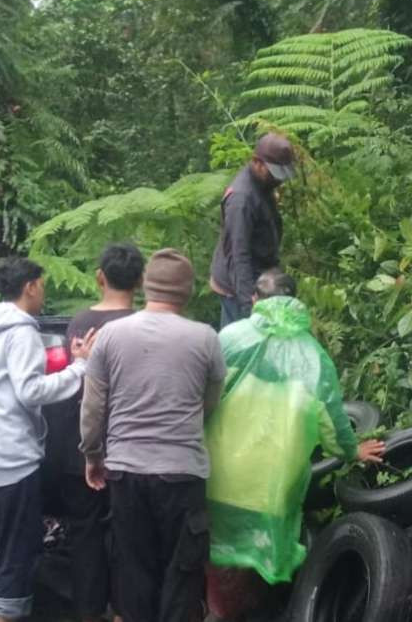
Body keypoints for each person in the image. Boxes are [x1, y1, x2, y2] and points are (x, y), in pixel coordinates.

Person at [204, 268, 385, 619]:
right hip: (275, 483)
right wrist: (353, 452)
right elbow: (332, 423)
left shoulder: (229, 338)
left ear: (255, 300)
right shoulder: (313, 356)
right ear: (296, 302)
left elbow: (199, 399)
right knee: (261, 566)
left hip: (223, 474)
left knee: (219, 558)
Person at [0, 257, 97, 622]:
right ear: (29, 286)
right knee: (17, 547)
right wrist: (79, 368)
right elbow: (31, 391)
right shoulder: (22, 331)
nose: (43, 292)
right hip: (9, 457)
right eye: (41, 285)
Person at [80, 248, 226, 622]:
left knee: (133, 570)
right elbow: (208, 405)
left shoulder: (111, 335)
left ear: (147, 286)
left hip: (126, 472)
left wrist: (93, 456)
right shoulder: (206, 338)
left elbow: (93, 407)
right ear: (187, 291)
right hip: (182, 473)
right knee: (182, 574)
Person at [44, 242, 144, 622]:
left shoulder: (80, 322)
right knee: (127, 535)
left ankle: (88, 611)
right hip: (128, 444)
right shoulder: (141, 326)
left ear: (99, 277)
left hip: (78, 444)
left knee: (84, 533)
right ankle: (123, 609)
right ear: (140, 280)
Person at [210, 133, 295, 327]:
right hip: (239, 287)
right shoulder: (242, 200)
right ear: (257, 162)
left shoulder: (262, 186)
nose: (278, 180)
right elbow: (239, 255)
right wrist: (249, 306)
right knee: (240, 348)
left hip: (263, 281)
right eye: (274, 173)